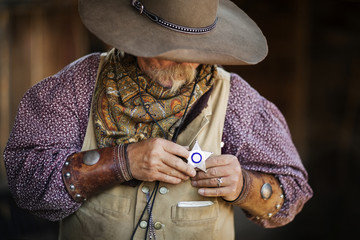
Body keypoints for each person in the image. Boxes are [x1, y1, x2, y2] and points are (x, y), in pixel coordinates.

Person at [4, 0, 313, 239]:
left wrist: (243, 185)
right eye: (164, 47)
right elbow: (26, 185)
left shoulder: (238, 102)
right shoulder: (77, 87)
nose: (178, 63)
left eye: (192, 50)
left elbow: (291, 194)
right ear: (133, 34)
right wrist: (120, 162)